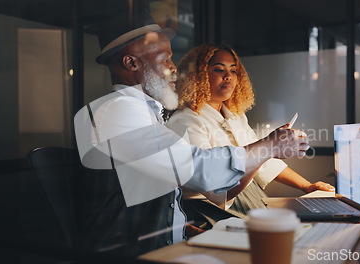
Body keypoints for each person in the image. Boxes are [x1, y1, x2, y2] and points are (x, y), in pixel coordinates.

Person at [73, 17, 310, 257]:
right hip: (130, 255)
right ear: (131, 63)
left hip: (159, 245)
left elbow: (151, 194)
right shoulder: (119, 110)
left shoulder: (142, 113)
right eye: (164, 58)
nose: (174, 67)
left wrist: (183, 229)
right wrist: (269, 146)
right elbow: (198, 169)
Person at [166, 44, 334, 224]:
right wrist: (268, 147)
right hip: (211, 210)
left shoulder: (235, 117)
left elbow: (266, 165)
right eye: (218, 69)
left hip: (246, 196)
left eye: (233, 70)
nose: (228, 76)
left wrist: (307, 186)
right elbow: (219, 190)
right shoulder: (184, 121)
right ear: (197, 76)